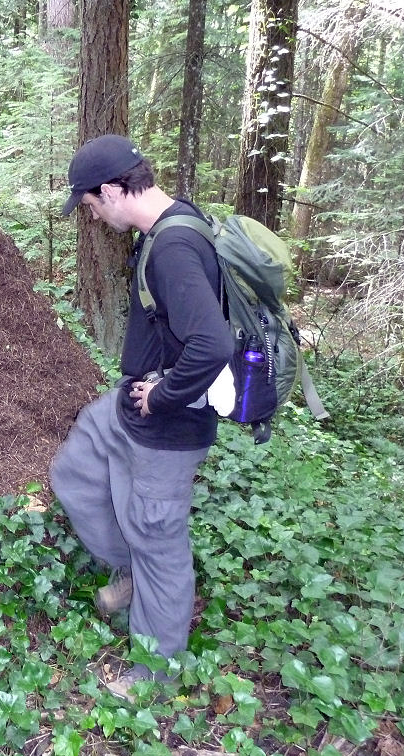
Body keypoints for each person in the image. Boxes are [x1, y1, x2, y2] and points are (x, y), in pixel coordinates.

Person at [51, 135, 233, 702]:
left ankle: (153, 675)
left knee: (160, 542)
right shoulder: (169, 226)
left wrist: (164, 397)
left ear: (110, 190)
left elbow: (214, 343)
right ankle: (133, 570)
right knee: (76, 468)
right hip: (129, 410)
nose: (92, 215)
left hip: (166, 430)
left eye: (89, 205)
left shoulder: (174, 248)